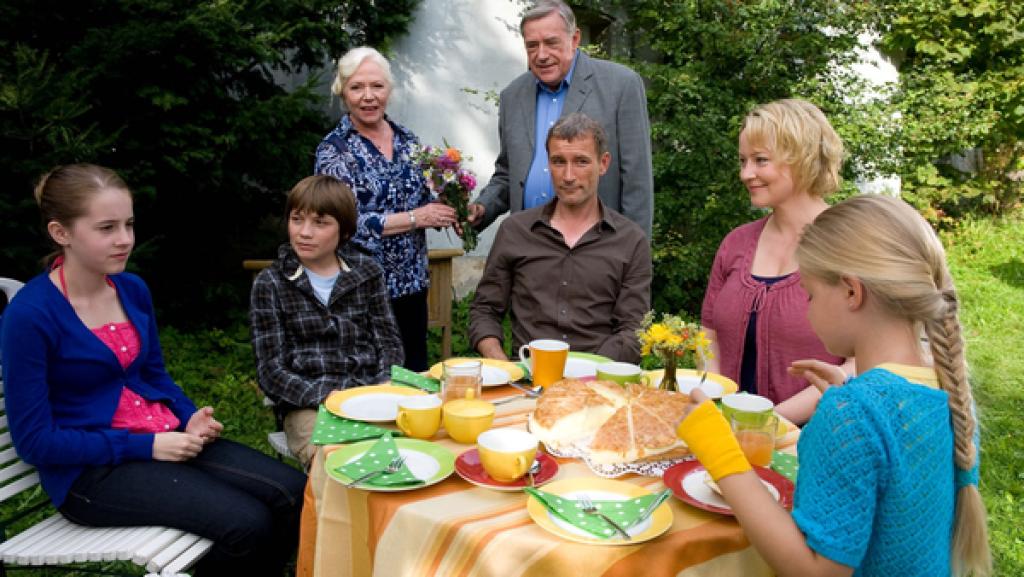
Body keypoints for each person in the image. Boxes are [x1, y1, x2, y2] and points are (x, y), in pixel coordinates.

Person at [0, 164, 306, 576]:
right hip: (91, 473)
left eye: (128, 224)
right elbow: (35, 442)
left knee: (295, 495)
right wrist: (147, 447)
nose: (124, 239)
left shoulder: (131, 289)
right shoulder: (31, 315)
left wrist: (188, 416)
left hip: (163, 438)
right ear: (61, 233)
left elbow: (153, 376)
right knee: (247, 525)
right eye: (106, 228)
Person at [676, 194, 991, 577]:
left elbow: (814, 570)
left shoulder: (853, 415)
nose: (808, 311)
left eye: (809, 294)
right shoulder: (946, 393)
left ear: (851, 292)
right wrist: (847, 399)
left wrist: (719, 453)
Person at [701, 98, 853, 424]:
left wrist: (769, 422)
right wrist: (717, 404)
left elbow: (862, 360)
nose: (746, 174)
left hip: (812, 440)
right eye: (743, 161)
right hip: (728, 435)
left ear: (803, 159)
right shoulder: (736, 243)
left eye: (760, 160)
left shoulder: (848, 246)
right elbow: (708, 333)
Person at [314, 46, 457, 371]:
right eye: (357, 87)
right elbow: (339, 224)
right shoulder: (334, 150)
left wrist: (447, 210)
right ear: (343, 92)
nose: (368, 96)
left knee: (413, 382)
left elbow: (426, 202)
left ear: (389, 90)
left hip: (412, 288)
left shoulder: (410, 142)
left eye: (377, 86)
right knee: (368, 390)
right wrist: (413, 219)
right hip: (360, 293)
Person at [468, 113, 651, 362]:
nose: (568, 176)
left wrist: (587, 375)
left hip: (599, 385)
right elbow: (484, 310)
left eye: (581, 162)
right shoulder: (516, 231)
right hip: (526, 381)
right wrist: (499, 362)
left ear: (604, 163)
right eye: (558, 162)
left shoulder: (630, 241)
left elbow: (634, 330)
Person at [250, 175, 403, 467]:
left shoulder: (367, 272)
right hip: (309, 405)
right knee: (340, 464)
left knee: (406, 454)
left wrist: (382, 385)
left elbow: (389, 343)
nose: (305, 232)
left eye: (320, 223)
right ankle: (328, 512)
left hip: (369, 393)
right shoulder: (271, 283)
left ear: (343, 230)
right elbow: (271, 372)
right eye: (297, 220)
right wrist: (328, 397)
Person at [467, 0, 654, 238]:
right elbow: (508, 172)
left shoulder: (621, 85)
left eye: (551, 43)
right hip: (527, 245)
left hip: (596, 246)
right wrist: (483, 207)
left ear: (574, 39)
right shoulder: (512, 96)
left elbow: (637, 182)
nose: (541, 55)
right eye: (532, 46)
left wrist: (633, 254)